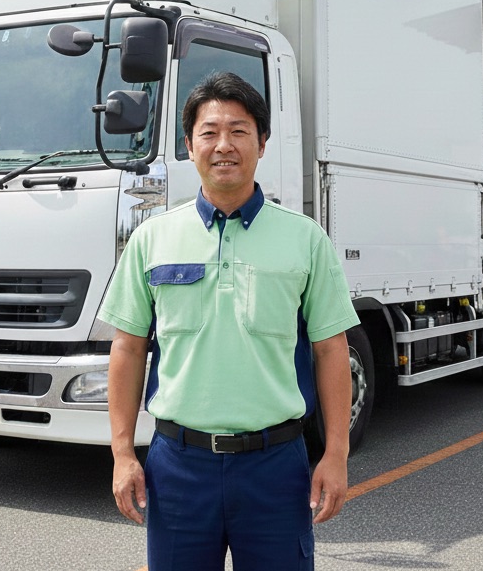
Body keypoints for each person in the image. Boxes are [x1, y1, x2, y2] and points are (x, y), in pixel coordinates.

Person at [99, 71, 358, 570]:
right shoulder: (153, 239)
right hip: (178, 466)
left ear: (262, 144)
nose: (224, 146)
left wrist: (336, 454)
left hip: (275, 465)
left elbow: (331, 349)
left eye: (239, 131)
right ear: (189, 145)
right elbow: (128, 349)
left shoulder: (305, 240)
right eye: (209, 132)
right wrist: (123, 453)